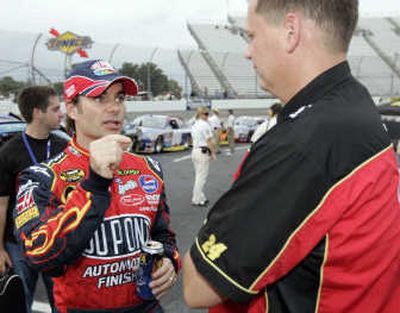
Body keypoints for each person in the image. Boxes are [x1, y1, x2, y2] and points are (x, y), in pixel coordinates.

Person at [183, 0, 400, 312]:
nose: (248, 51)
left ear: (290, 31)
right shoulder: (355, 104)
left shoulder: (304, 142)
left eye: (252, 36)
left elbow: (197, 288)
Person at [13, 60, 180, 313]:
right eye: (100, 98)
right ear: (72, 109)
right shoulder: (43, 177)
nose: (115, 108)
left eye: (120, 98)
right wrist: (95, 184)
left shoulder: (149, 169)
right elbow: (38, 253)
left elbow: (163, 236)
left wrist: (169, 261)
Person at [0, 86, 67, 313]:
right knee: (20, 303)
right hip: (19, 244)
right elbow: (1, 204)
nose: (61, 113)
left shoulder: (64, 147)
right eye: (56, 108)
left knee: (62, 303)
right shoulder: (8, 152)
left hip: (57, 240)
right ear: (38, 112)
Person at [191, 106, 216, 206]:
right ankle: (197, 199)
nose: (207, 116)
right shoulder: (204, 125)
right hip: (202, 151)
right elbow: (209, 140)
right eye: (206, 114)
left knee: (198, 175)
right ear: (201, 114)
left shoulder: (195, 124)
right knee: (201, 177)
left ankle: (201, 197)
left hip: (195, 151)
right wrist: (213, 153)